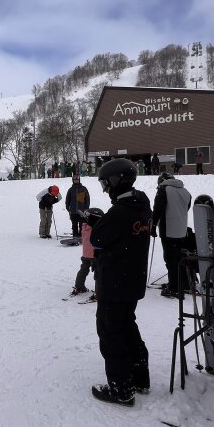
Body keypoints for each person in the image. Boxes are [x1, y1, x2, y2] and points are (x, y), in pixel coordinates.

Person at [85, 158, 152, 405]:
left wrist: (97, 223)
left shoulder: (120, 212)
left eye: (105, 183)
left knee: (110, 331)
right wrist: (102, 221)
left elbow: (97, 241)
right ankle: (139, 378)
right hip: (133, 281)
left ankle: (121, 389)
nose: (105, 188)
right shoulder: (142, 207)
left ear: (115, 181)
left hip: (114, 282)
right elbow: (120, 233)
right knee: (127, 325)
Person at [152, 172, 192, 299]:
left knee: (170, 259)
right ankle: (184, 283)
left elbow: (158, 209)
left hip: (168, 230)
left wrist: (152, 225)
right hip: (181, 230)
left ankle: (174, 287)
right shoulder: (185, 191)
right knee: (180, 257)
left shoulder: (164, 190)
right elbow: (185, 209)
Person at [71, 207, 104, 296]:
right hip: (95, 254)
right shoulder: (96, 229)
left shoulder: (84, 227)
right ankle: (99, 291)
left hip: (85, 254)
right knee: (99, 273)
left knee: (84, 269)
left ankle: (79, 286)